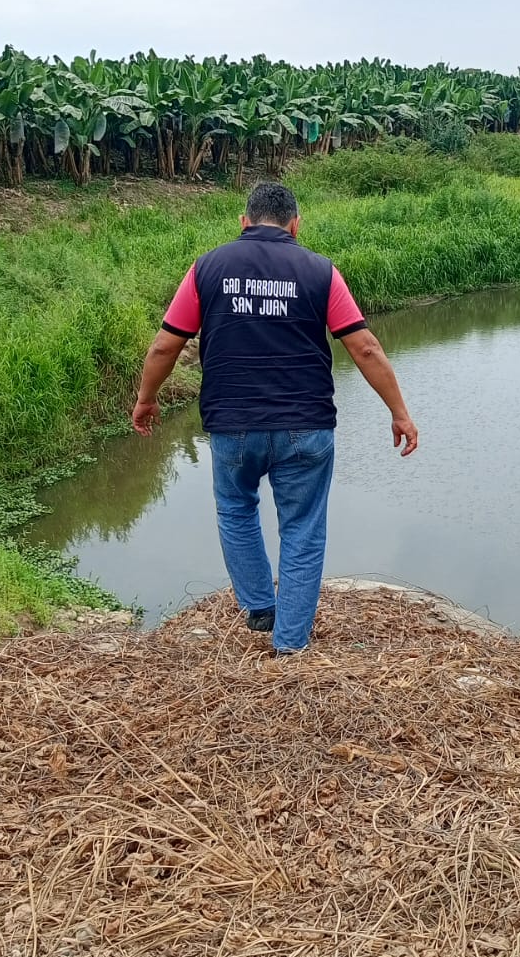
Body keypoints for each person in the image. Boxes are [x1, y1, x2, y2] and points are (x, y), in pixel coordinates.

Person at [132, 181, 418, 654]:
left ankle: (261, 605)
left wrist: (146, 398)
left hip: (232, 424)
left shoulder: (206, 268)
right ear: (295, 226)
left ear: (244, 222)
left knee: (236, 509)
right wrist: (399, 413)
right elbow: (364, 347)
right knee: (302, 530)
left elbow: (166, 344)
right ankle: (289, 644)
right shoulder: (321, 271)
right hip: (306, 425)